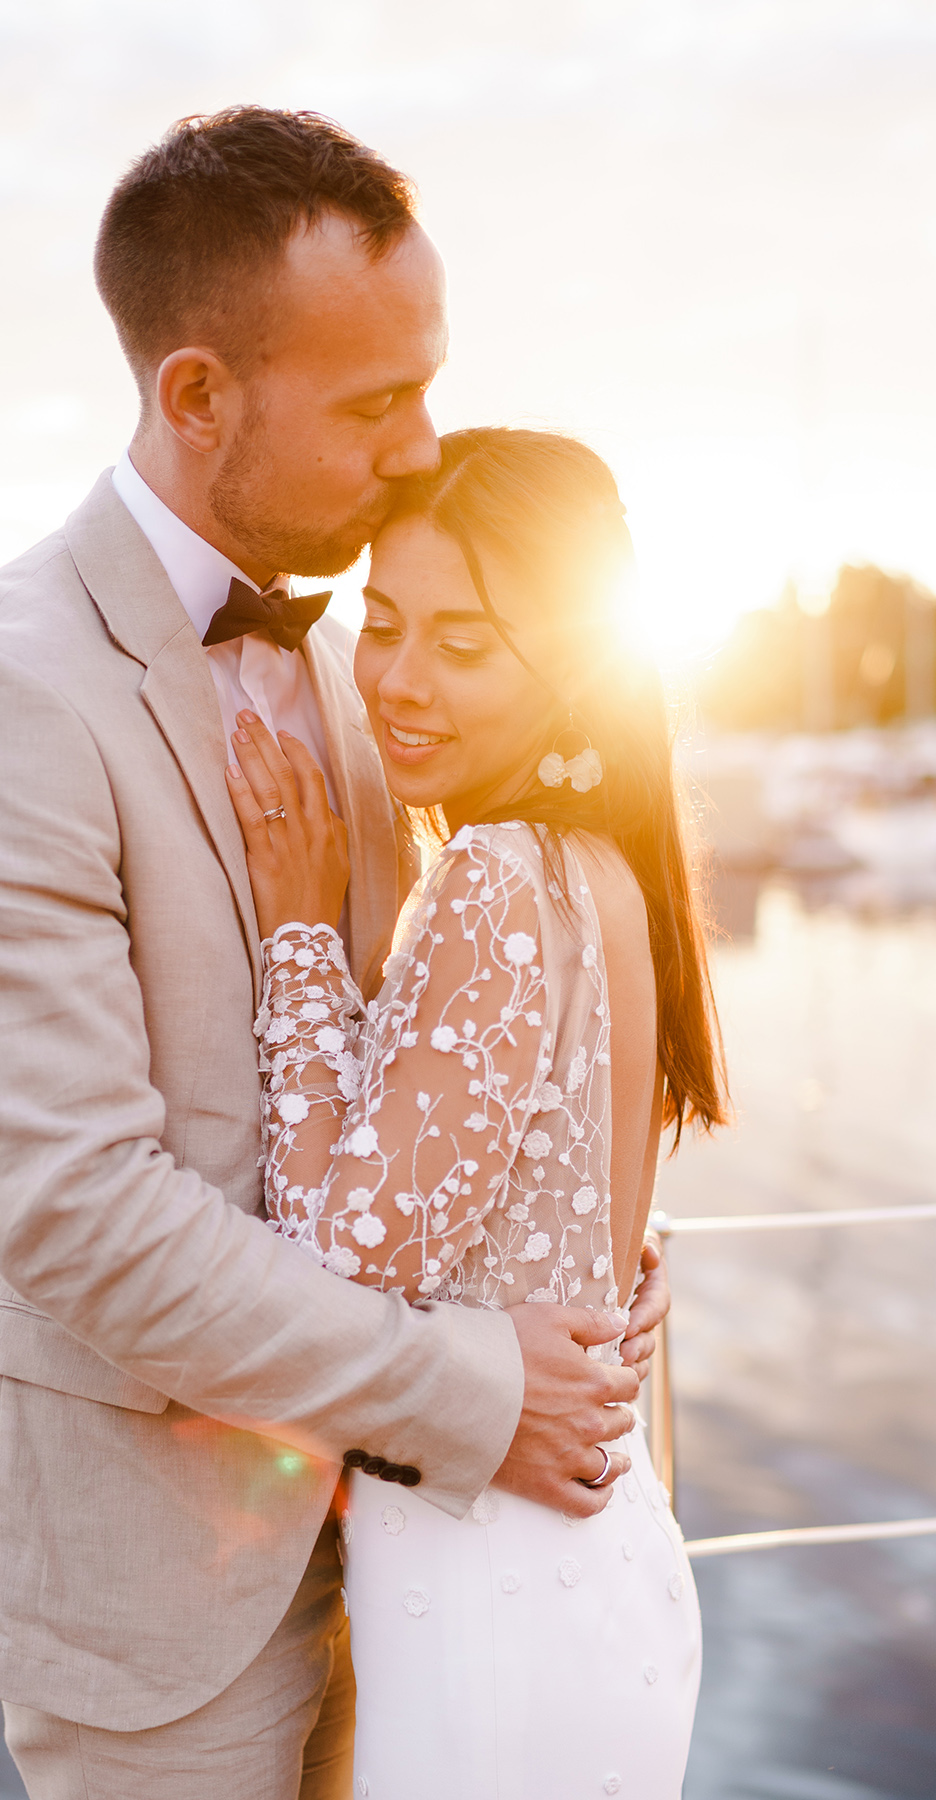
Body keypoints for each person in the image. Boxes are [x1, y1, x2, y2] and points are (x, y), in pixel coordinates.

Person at [0, 110, 668, 1799]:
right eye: (378, 402)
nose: (419, 447)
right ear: (199, 396)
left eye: (429, 385)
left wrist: (581, 1282)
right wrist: (476, 1390)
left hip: (422, 1561)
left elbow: (445, 1071)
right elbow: (81, 1216)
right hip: (159, 1610)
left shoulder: (379, 676)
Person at [227, 426, 729, 1798]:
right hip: (586, 1550)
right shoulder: (605, 870)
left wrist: (296, 939)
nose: (395, 681)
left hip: (494, 1583)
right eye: (383, 624)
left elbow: (339, 1256)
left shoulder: (496, 879)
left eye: (464, 646)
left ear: (569, 665)